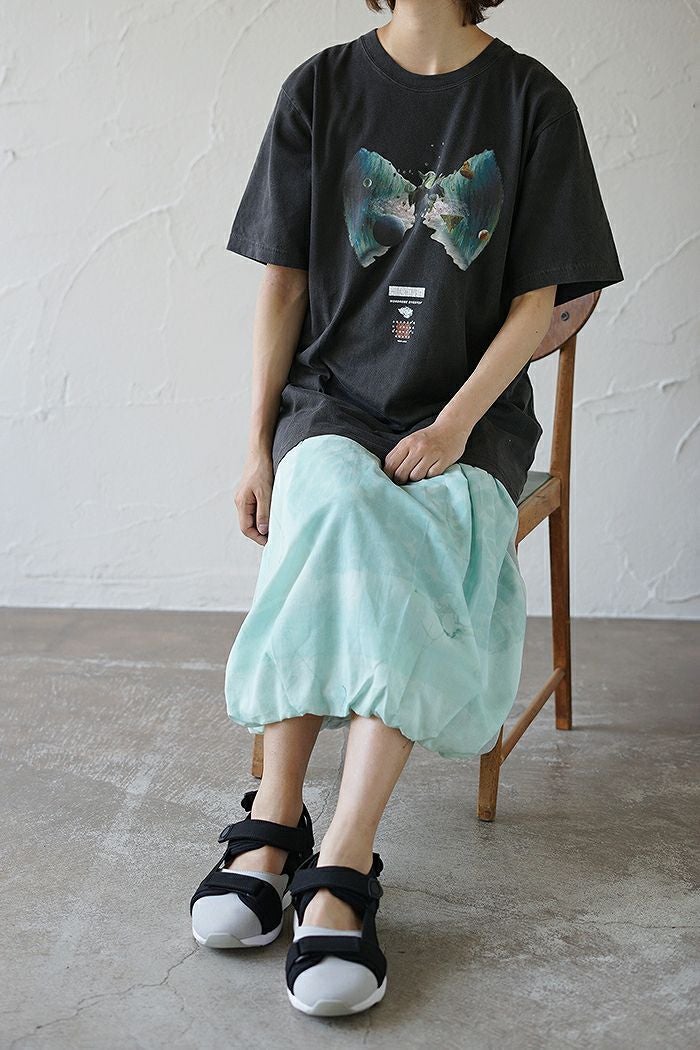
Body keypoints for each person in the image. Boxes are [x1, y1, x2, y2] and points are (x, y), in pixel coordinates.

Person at [189, 0, 624, 1018]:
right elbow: (282, 284)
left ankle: (344, 861)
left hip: (469, 411)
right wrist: (256, 445)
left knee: (423, 529)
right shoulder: (320, 88)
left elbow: (541, 303)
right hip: (330, 399)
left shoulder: (532, 100)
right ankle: (275, 819)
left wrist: (456, 427)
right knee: (331, 501)